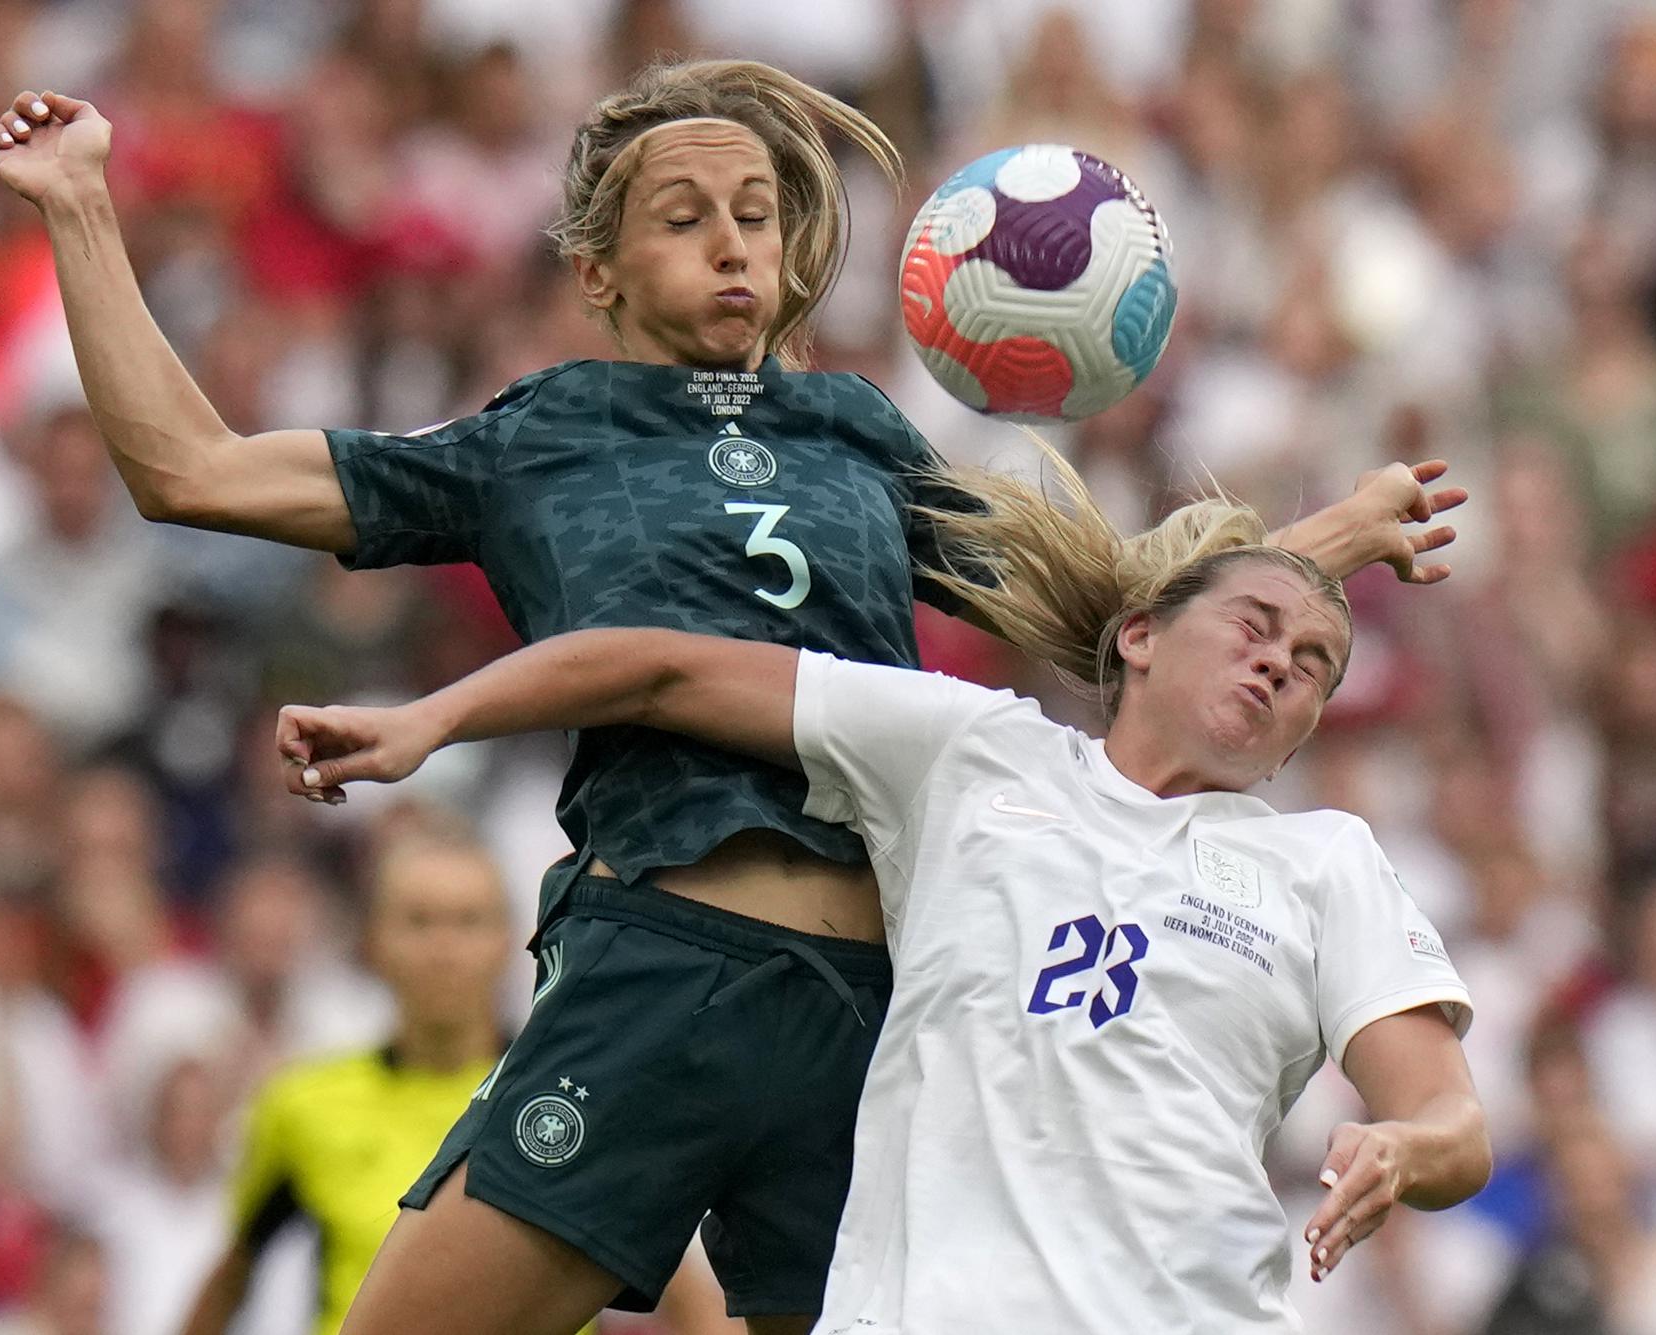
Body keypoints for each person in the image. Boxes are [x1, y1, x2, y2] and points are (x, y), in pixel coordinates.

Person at [0, 60, 1461, 1333]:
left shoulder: (855, 431)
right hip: (662, 972)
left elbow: (1120, 616)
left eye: (757, 215)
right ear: (599, 271)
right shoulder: (537, 435)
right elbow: (188, 468)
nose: (734, 246)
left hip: (873, 1027)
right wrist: (81, 206)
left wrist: (1323, 536)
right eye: (684, 220)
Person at [274, 460, 1491, 1333]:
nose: (1280, 661)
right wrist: (428, 719)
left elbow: (1451, 1122)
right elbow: (657, 668)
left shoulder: (1324, 864)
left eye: (1314, 666)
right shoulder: (971, 756)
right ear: (1134, 638)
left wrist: (1403, 1146)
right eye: (1253, 628)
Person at [177, 831, 527, 1335]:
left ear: (509, 942)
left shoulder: (562, 1103)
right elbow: (230, 1278)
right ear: (372, 942)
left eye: (469, 921)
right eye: (418, 921)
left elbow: (673, 1286)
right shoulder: (304, 1104)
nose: (444, 948)